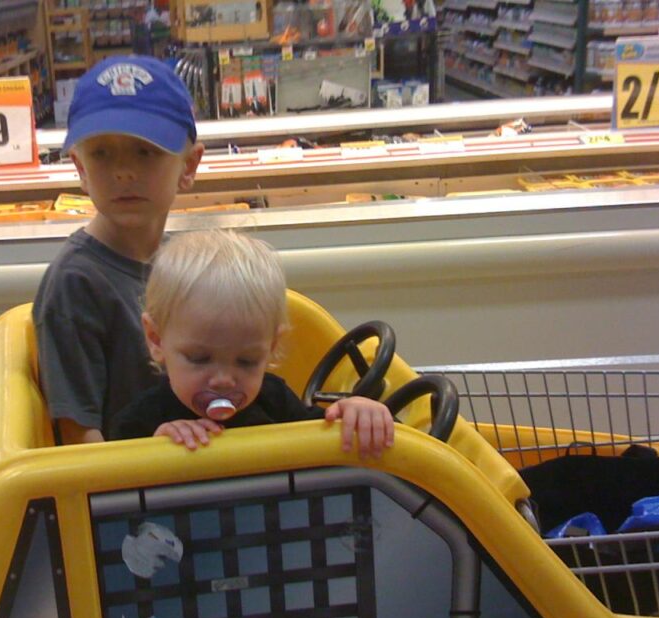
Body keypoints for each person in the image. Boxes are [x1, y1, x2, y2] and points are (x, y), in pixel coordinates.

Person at [33, 55, 205, 444]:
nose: (123, 171)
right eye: (101, 153)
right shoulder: (74, 285)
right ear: (80, 168)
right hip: (134, 494)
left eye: (145, 151)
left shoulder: (184, 265)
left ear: (189, 165)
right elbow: (81, 442)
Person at [112, 229, 395, 459]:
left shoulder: (274, 401)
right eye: (199, 358)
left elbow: (328, 438)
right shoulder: (140, 420)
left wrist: (357, 413)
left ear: (270, 348)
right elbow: (105, 486)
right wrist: (153, 452)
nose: (223, 380)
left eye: (246, 361)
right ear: (156, 340)